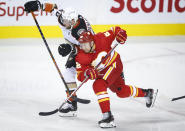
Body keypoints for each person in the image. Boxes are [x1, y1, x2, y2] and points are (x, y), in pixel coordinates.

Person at [75, 27, 156, 128]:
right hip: (103, 72)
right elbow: (80, 75)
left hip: (114, 64)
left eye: (85, 44)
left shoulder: (101, 38)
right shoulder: (80, 56)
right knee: (120, 91)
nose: (83, 47)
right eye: (81, 45)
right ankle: (147, 93)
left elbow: (115, 30)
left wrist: (121, 34)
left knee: (98, 85)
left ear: (91, 43)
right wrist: (87, 73)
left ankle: (108, 117)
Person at [24, 0, 94, 116]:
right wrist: (38, 5)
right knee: (68, 73)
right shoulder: (63, 17)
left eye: (68, 21)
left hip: (88, 49)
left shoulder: (81, 31)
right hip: (77, 46)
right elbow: (52, 8)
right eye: (65, 20)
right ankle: (72, 103)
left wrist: (71, 49)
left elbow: (88, 48)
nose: (66, 22)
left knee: (97, 72)